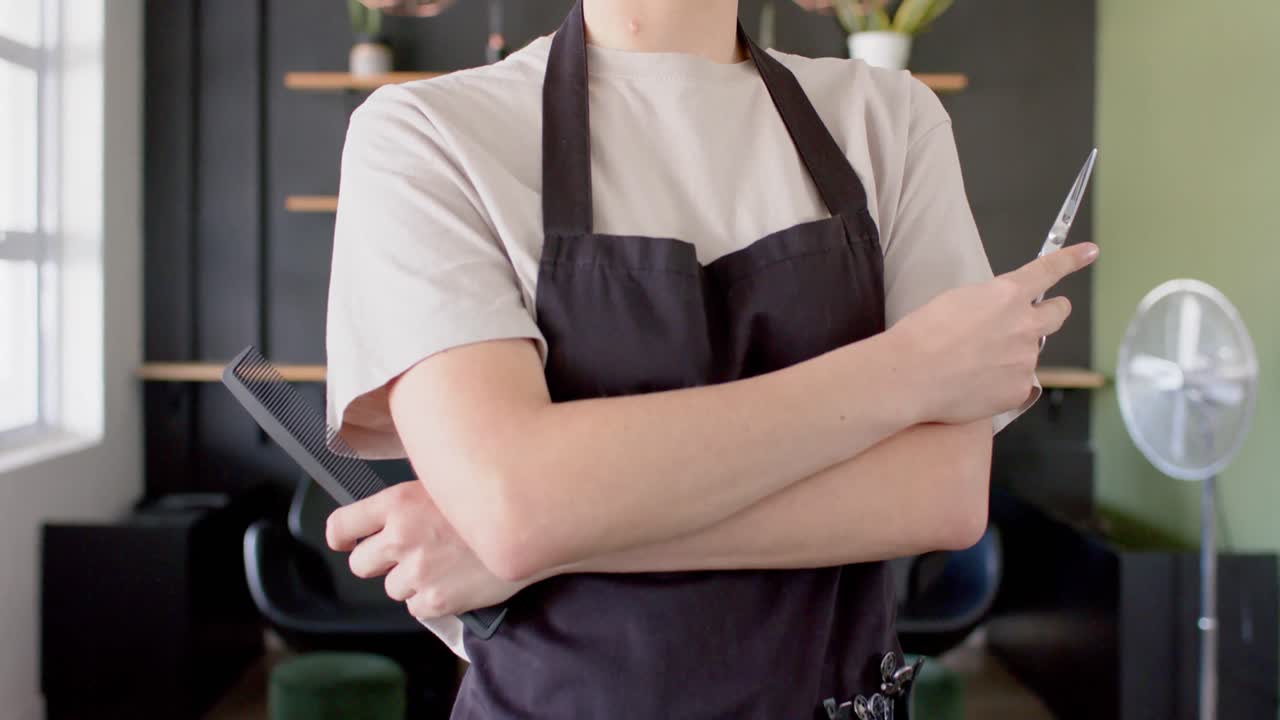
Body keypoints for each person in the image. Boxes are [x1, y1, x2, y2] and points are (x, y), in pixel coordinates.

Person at [322, 0, 1097, 717]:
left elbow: (942, 493)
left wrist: (550, 540)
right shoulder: (427, 132)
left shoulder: (888, 120)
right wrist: (913, 368)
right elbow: (516, 504)